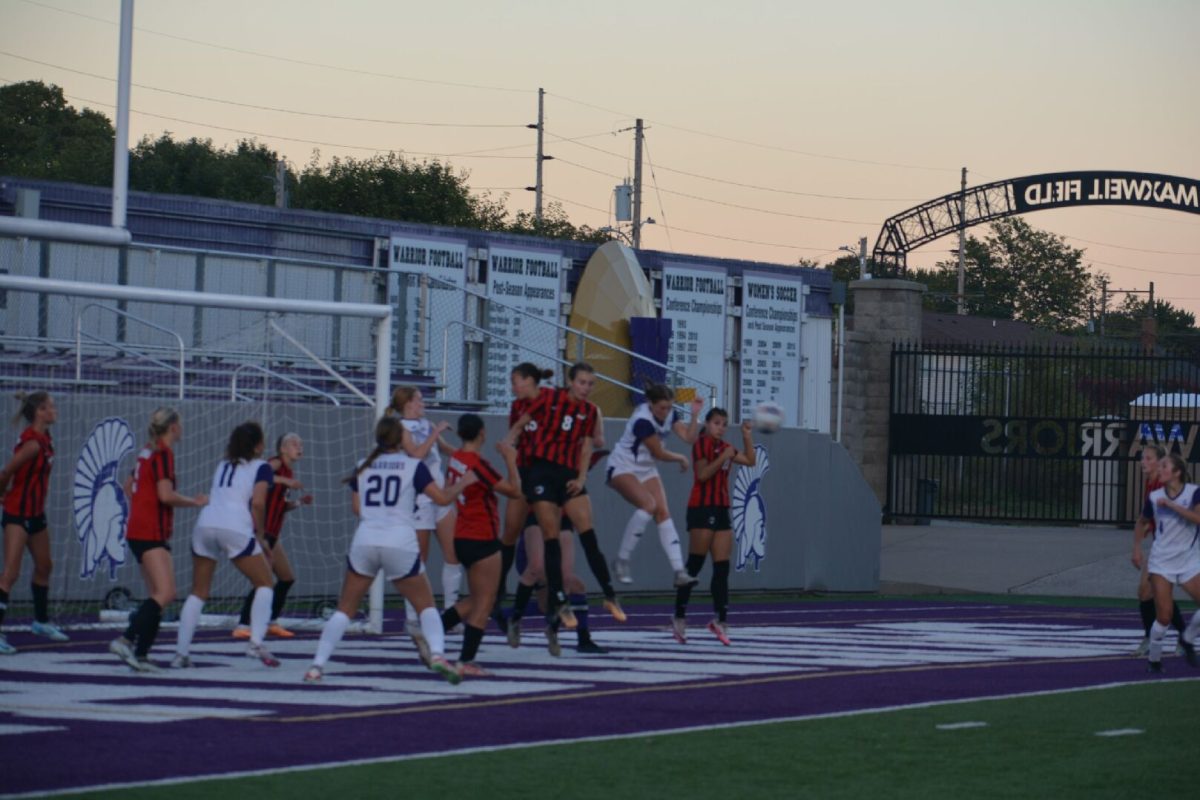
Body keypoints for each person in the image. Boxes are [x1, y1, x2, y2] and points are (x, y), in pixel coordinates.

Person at [303, 415, 474, 684]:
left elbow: (357, 509)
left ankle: (317, 665)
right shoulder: (413, 466)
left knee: (343, 610)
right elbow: (441, 498)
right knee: (427, 606)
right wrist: (463, 483)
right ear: (401, 439)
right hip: (400, 541)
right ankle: (439, 655)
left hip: (365, 540)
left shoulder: (363, 466)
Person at [504, 362, 624, 628]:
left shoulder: (590, 411)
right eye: (581, 382)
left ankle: (609, 594)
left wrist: (581, 479)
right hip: (541, 474)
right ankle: (555, 601)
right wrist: (511, 438)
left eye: (590, 384)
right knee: (548, 542)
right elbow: (525, 418)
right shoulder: (550, 397)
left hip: (568, 476)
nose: (586, 388)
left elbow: (588, 448)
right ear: (570, 381)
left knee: (588, 535)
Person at [172, 422, 281, 669]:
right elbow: (259, 504)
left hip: (205, 523)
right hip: (234, 525)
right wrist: (261, 536)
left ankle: (181, 654)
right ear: (257, 445)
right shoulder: (261, 466)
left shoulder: (222, 465)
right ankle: (255, 643)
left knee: (198, 592)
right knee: (265, 583)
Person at [109, 408, 208, 671]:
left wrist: (143, 503)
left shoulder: (146, 451)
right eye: (181, 424)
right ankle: (126, 640)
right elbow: (165, 495)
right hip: (150, 531)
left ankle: (141, 655)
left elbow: (129, 486)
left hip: (138, 529)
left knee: (158, 594)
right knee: (166, 593)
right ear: (173, 427)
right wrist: (194, 502)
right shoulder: (163, 453)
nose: (182, 429)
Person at [439, 414, 522, 677]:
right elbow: (514, 490)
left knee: (476, 598)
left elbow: (452, 455)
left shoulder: (457, 459)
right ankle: (466, 660)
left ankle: (432, 631)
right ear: (482, 433)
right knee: (486, 601)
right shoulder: (478, 464)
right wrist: (511, 460)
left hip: (462, 533)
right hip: (482, 535)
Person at [672, 407, 756, 646]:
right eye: (717, 423)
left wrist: (747, 436)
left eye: (724, 423)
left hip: (721, 509)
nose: (720, 427)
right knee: (694, 566)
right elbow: (702, 475)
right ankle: (679, 617)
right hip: (701, 509)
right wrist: (723, 457)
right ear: (707, 424)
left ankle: (720, 620)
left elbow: (750, 461)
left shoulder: (726, 446)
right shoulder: (702, 443)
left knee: (722, 568)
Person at [609, 385, 705, 588]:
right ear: (650, 404)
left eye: (669, 407)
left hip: (646, 469)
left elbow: (689, 438)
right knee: (648, 505)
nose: (665, 412)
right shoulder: (643, 420)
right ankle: (621, 560)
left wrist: (695, 414)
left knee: (663, 513)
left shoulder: (670, 413)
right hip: (623, 465)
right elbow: (659, 453)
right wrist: (680, 458)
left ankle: (679, 572)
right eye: (661, 408)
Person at [389, 387, 462, 624]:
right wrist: (435, 432)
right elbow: (415, 455)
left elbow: (445, 449)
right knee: (419, 558)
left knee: (453, 553)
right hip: (419, 497)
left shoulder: (427, 423)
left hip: (439, 493)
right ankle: (413, 615)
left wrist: (467, 455)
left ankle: (450, 613)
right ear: (409, 403)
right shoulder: (399, 428)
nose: (423, 403)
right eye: (419, 399)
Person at [0, 392, 66, 654]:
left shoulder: (45, 439)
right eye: (50, 407)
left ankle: (40, 621)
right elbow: (7, 471)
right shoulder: (33, 444)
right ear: (40, 412)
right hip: (18, 513)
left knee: (44, 566)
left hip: (36, 513)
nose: (55, 410)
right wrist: (1, 494)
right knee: (10, 573)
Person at [492, 363, 555, 632]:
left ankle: (551, 597)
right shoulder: (517, 408)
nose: (512, 386)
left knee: (552, 536)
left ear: (530, 381)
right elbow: (512, 444)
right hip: (525, 473)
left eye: (515, 381)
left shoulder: (550, 401)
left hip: (549, 476)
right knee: (510, 531)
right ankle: (498, 590)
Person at [233, 433, 313, 640]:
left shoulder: (287, 470)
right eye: (294, 443)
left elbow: (280, 506)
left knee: (286, 578)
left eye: (300, 443)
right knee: (263, 580)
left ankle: (271, 621)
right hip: (262, 532)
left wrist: (299, 503)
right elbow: (261, 475)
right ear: (282, 449)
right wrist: (286, 480)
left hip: (273, 533)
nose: (299, 446)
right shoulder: (275, 463)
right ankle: (243, 624)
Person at [506, 513, 609, 656]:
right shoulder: (537, 507)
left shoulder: (564, 509)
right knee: (547, 597)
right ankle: (507, 617)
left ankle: (580, 639)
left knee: (573, 587)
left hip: (552, 542)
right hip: (535, 552)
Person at [1135, 453, 1200, 673]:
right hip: (1162, 562)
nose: (1159, 469)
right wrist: (1136, 548)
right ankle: (1154, 659)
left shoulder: (1193, 492)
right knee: (1164, 616)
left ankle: (1187, 639)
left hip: (1188, 560)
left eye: (1164, 466)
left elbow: (1198, 519)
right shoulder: (1154, 497)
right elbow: (1142, 522)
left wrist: (1172, 506)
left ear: (1177, 473)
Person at [1130, 445, 1187, 656]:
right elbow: (1146, 519)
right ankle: (1175, 636)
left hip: (1173, 547)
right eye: (1142, 458)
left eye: (1148, 458)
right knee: (1148, 593)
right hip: (1161, 545)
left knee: (1152, 592)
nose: (1143, 462)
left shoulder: (1166, 486)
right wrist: (1138, 544)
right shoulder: (1151, 484)